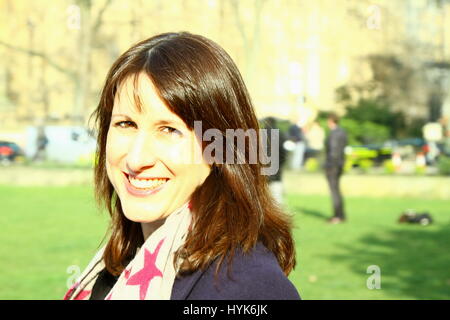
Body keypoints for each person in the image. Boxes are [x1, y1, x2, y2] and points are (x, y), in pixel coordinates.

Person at [63, 32, 300, 300]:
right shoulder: (124, 259)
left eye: (169, 129)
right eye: (125, 124)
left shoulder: (246, 287)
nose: (136, 159)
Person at [324, 113, 348, 224]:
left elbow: (333, 152)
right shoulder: (343, 132)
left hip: (333, 166)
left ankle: (337, 216)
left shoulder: (334, 134)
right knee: (337, 190)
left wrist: (328, 165)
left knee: (334, 191)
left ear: (330, 121)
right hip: (340, 165)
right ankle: (341, 215)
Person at [262, 117, 288, 205]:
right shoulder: (280, 134)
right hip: (276, 167)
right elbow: (284, 152)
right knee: (276, 196)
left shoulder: (260, 133)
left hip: (262, 168)